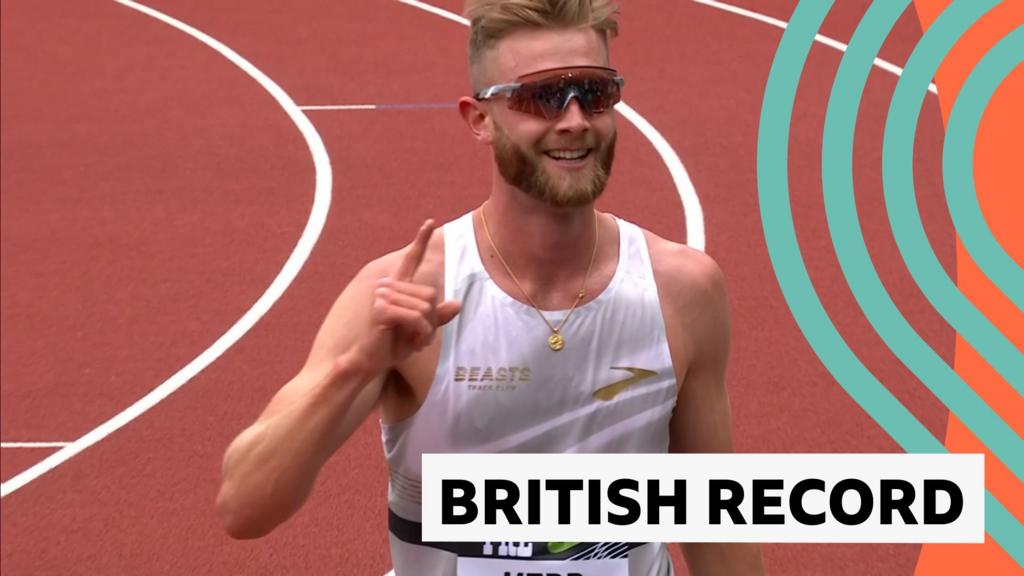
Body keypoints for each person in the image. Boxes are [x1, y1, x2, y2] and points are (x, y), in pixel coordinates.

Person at [216, 1, 765, 574]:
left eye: (594, 92)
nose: (575, 119)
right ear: (480, 118)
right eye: (541, 96)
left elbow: (714, 523)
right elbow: (244, 508)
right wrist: (356, 367)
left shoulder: (683, 289)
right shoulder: (407, 293)